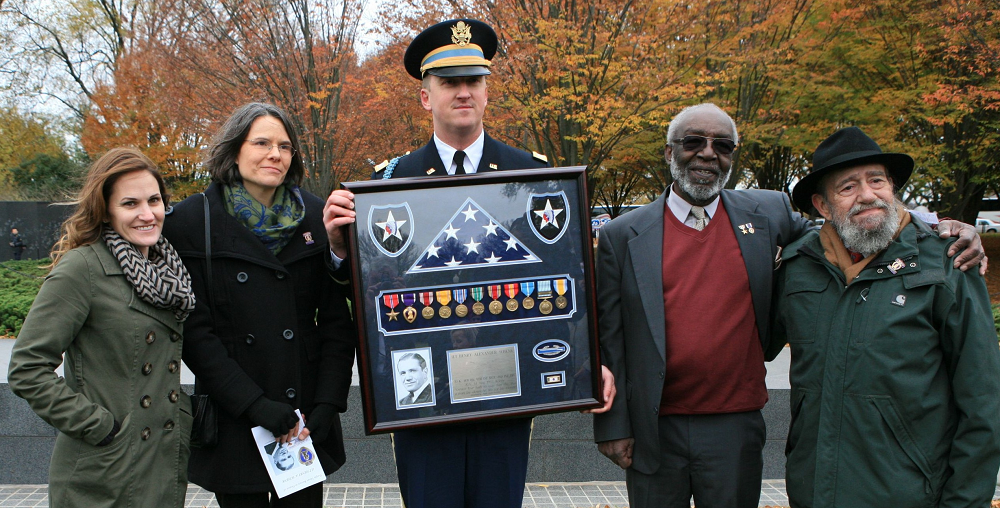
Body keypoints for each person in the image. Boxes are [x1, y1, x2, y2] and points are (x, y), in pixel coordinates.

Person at [591, 104, 986, 508]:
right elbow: (608, 334)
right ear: (669, 151)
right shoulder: (622, 234)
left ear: (732, 156)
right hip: (653, 426)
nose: (708, 153)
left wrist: (940, 226)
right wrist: (611, 424)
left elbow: (855, 222)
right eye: (694, 142)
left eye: (722, 146)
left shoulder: (769, 213)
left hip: (735, 425)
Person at [323, 18, 614, 508]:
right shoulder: (386, 185)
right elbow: (362, 292)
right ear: (426, 96)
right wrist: (339, 250)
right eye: (449, 82)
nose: (463, 92)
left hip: (509, 388)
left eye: (473, 80)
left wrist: (591, 357)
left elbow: (571, 278)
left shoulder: (533, 176)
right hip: (423, 393)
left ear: (486, 91)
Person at [765, 126, 1000, 508]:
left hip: (910, 496)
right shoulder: (797, 267)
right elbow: (751, 342)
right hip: (814, 493)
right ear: (823, 206)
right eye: (848, 187)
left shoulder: (947, 263)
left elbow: (983, 403)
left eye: (877, 180)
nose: (868, 195)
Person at [161, 102, 356, 508]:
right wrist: (253, 405)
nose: (275, 155)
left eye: (285, 146)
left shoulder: (315, 216)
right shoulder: (193, 221)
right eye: (262, 143)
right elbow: (196, 333)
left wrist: (328, 403)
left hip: (302, 416)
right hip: (235, 412)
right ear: (234, 150)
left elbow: (336, 321)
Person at [7, 148, 196, 507]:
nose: (147, 214)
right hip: (104, 470)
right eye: (130, 203)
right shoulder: (83, 268)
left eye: (154, 200)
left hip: (159, 460)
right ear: (106, 210)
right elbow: (27, 368)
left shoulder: (169, 271)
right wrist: (100, 426)